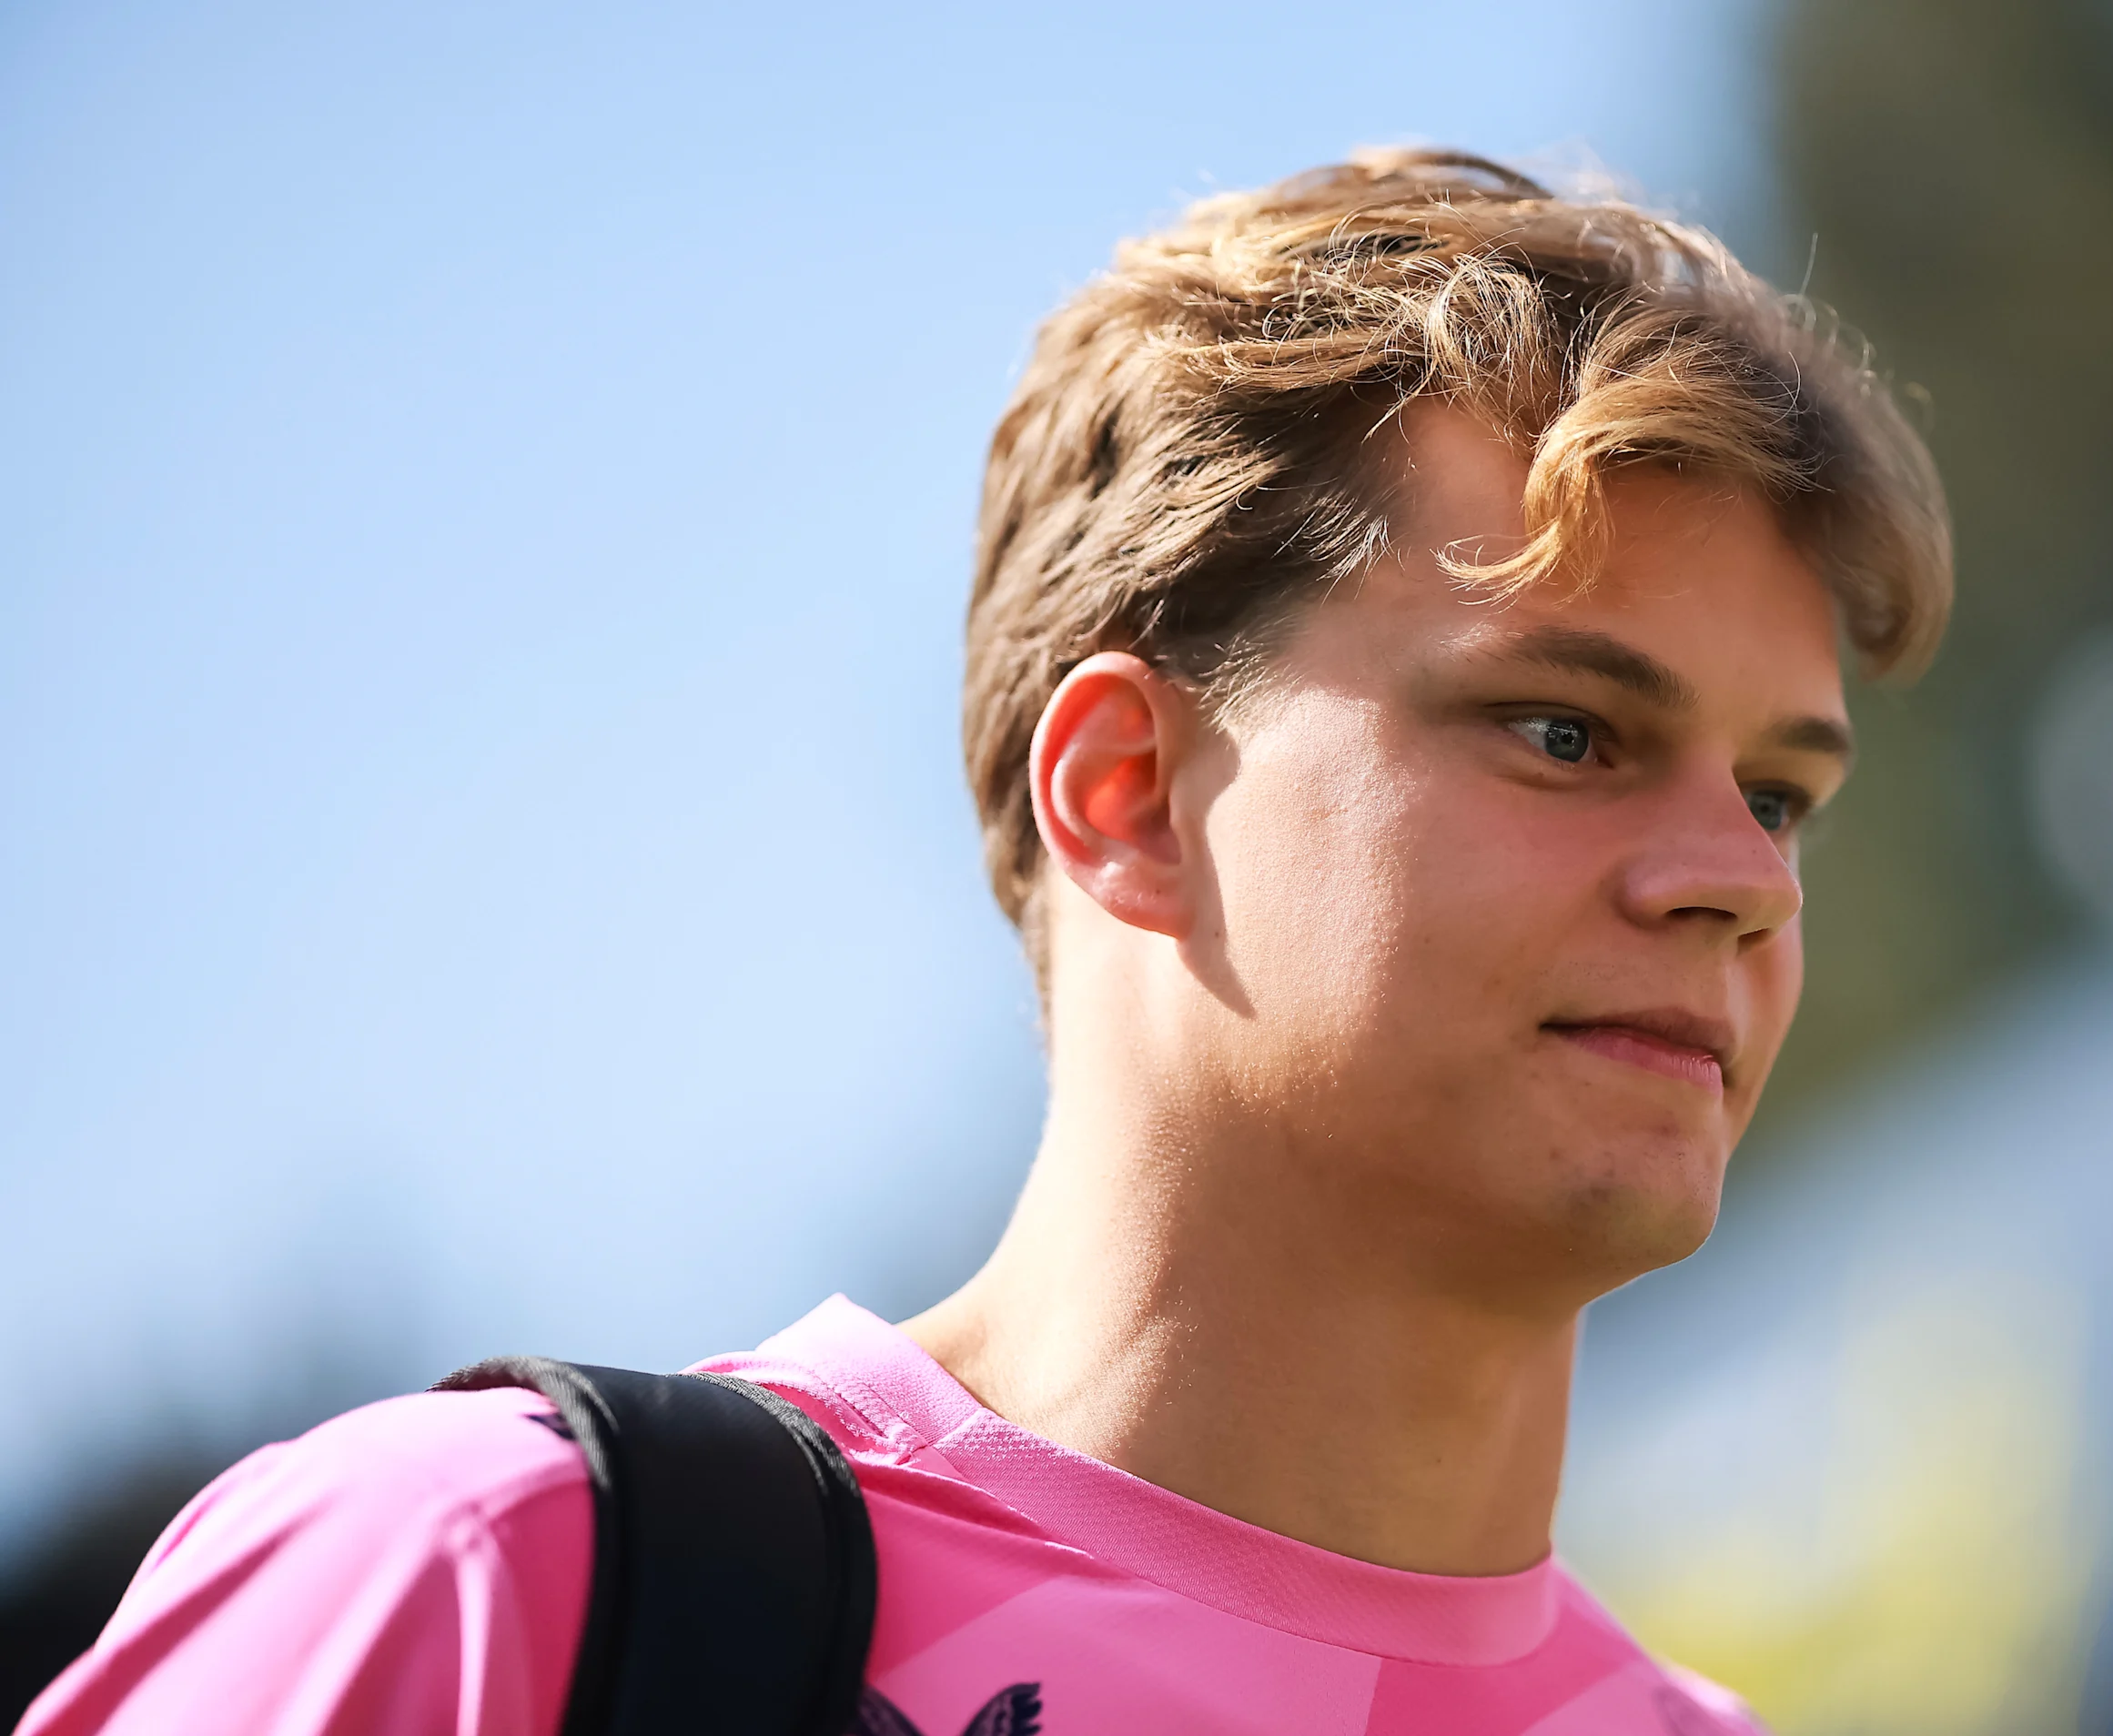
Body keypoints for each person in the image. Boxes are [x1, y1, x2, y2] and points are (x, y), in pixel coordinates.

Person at [22, 147, 1950, 1736]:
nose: (1741, 876)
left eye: (1779, 791)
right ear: (1122, 792)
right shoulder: (494, 1579)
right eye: (1566, 731)